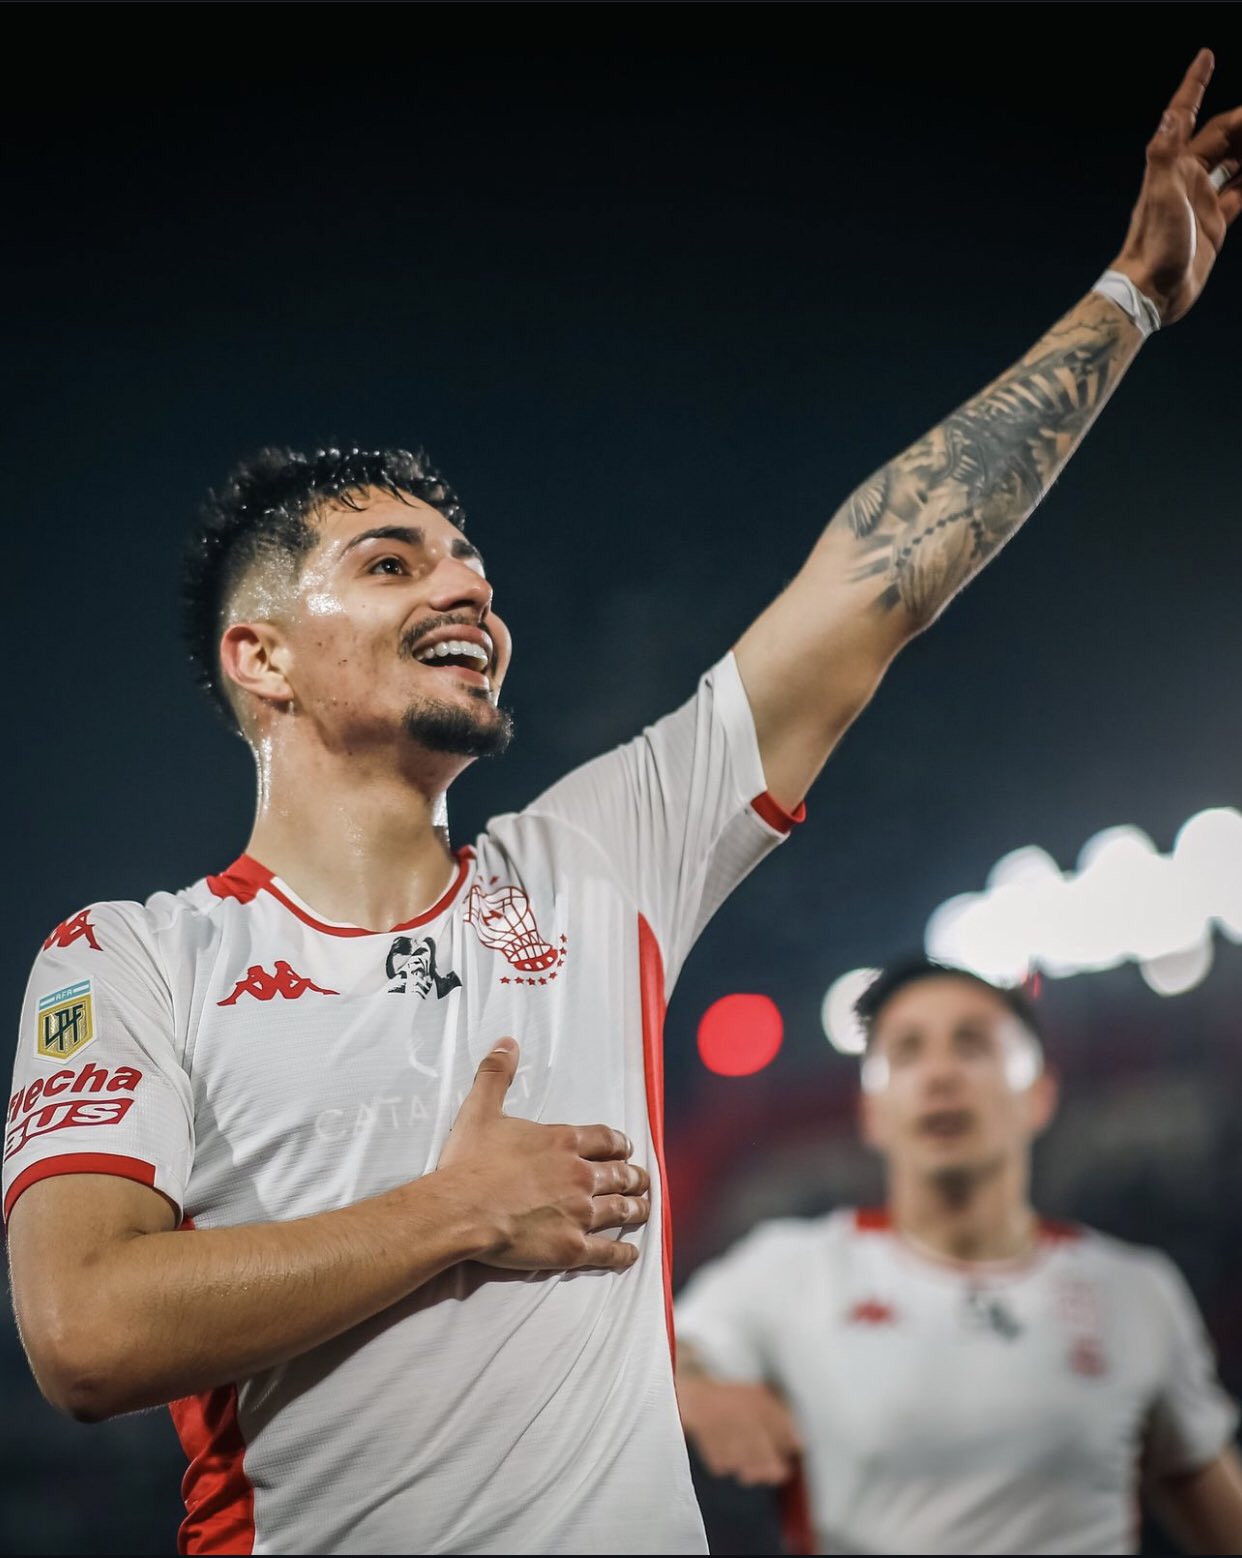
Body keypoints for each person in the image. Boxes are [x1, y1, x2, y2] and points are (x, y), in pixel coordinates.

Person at [5, 49, 1241, 1558]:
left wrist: (1124, 299)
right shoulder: (129, 958)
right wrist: (453, 1210)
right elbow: (81, 1328)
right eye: (393, 561)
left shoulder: (592, 864)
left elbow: (870, 583)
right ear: (257, 656)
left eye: (470, 563)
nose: (465, 582)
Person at [673, 957, 1242, 1555]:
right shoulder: (789, 1269)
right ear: (871, 1113)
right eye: (907, 1052)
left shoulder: (1136, 1292)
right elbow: (670, 1355)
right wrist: (702, 1386)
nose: (940, 1074)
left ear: (1040, 1096)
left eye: (972, 1046)